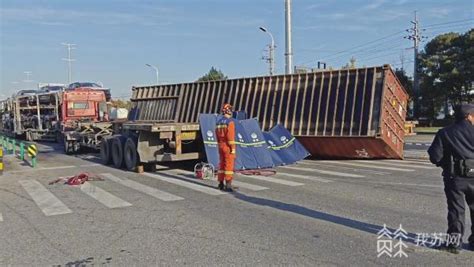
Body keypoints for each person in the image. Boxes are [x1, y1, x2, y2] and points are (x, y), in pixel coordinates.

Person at [428, 103, 474, 254]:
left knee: (456, 211)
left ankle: (454, 245)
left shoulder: (445, 132)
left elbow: (435, 157)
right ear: (469, 116)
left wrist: (447, 166)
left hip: (455, 178)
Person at [216, 103, 236, 192]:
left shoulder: (218, 122)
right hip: (227, 146)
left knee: (222, 164)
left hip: (220, 145)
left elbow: (216, 135)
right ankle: (228, 185)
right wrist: (233, 148)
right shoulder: (230, 122)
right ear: (229, 111)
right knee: (229, 164)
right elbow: (230, 137)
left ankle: (220, 183)